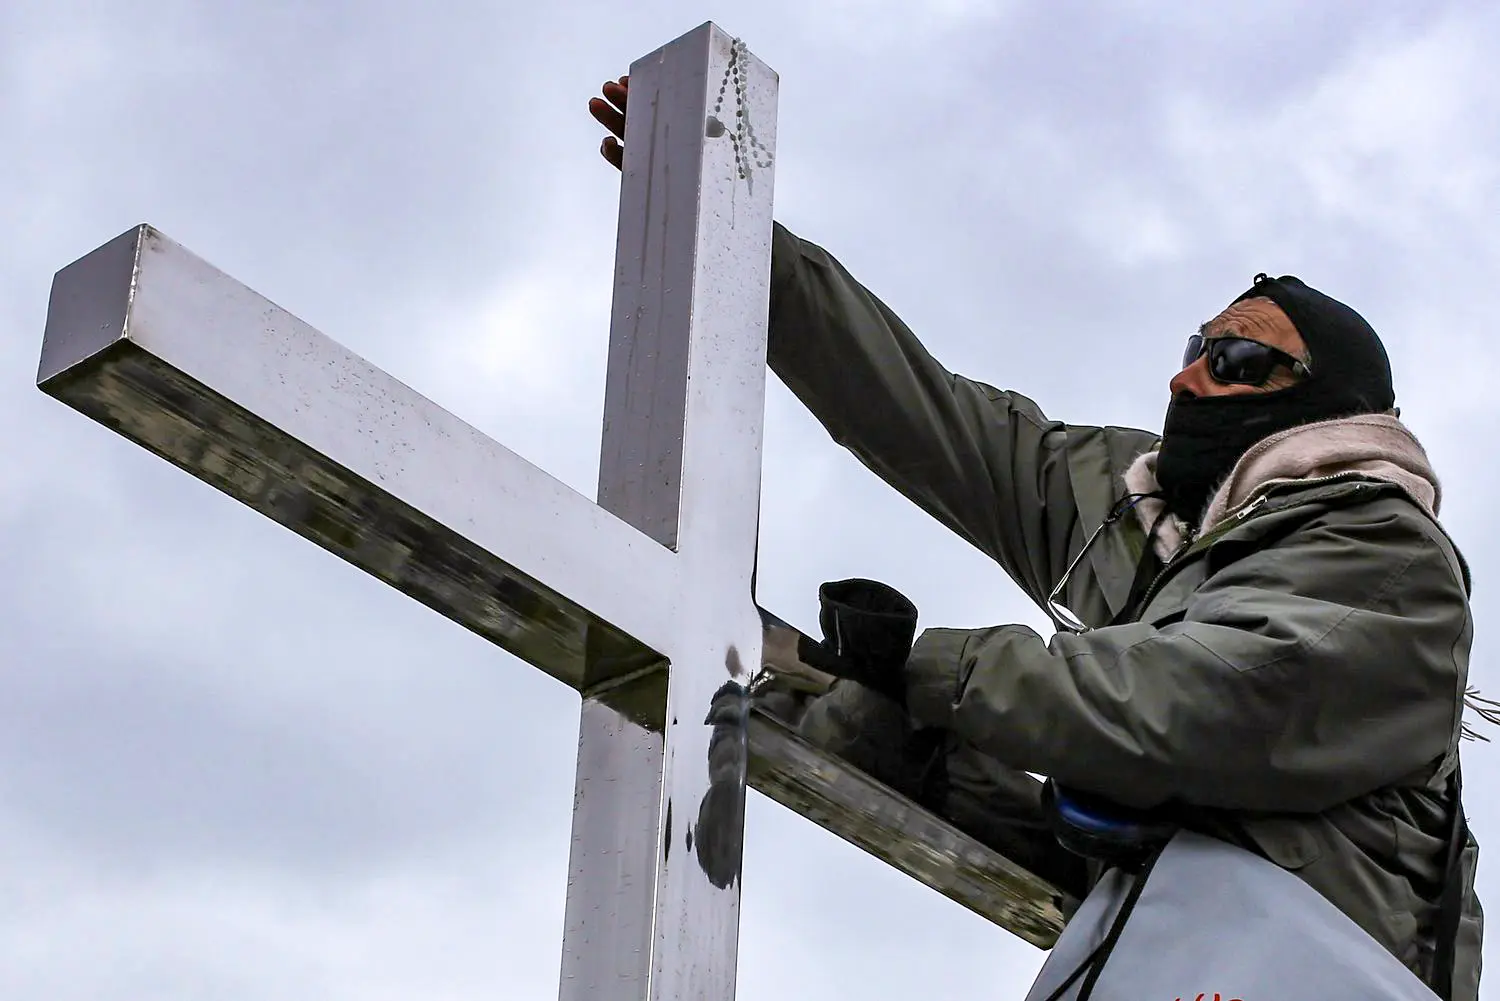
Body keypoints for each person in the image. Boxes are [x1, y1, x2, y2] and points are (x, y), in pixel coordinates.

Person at [589, 77, 1483, 998]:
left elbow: (1195, 704)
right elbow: (930, 416)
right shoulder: (1141, 514)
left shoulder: (1385, 562)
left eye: (1237, 360)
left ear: (1322, 406)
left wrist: (928, 669)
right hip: (1156, 965)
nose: (1187, 381)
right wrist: (737, 243)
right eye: (1193, 347)